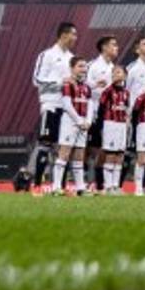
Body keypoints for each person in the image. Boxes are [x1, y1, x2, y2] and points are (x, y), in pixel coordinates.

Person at [31, 22, 76, 192]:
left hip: (67, 106)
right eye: (73, 34)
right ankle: (37, 185)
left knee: (64, 147)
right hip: (51, 104)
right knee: (45, 144)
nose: (75, 38)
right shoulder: (47, 55)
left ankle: (60, 187)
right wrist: (60, 82)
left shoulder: (72, 58)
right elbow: (37, 79)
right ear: (63, 35)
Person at [51, 56, 93, 196]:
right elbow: (67, 105)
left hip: (83, 123)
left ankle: (80, 187)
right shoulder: (67, 85)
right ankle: (56, 187)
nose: (83, 69)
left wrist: (88, 121)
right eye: (80, 66)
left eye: (85, 66)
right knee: (64, 153)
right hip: (70, 122)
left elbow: (90, 104)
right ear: (72, 68)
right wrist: (79, 121)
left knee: (79, 156)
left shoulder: (86, 87)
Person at [85, 35, 119, 192]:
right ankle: (83, 181)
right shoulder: (92, 65)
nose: (116, 48)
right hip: (92, 110)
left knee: (105, 148)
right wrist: (94, 85)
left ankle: (99, 184)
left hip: (109, 113)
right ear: (104, 47)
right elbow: (82, 86)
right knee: (89, 148)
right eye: (113, 45)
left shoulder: (114, 68)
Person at [97, 65, 131, 195]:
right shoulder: (107, 91)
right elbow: (101, 110)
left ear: (125, 76)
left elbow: (126, 109)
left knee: (120, 154)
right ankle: (108, 186)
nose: (115, 75)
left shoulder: (126, 93)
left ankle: (116, 186)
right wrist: (101, 127)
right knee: (110, 154)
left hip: (121, 125)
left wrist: (127, 123)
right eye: (113, 72)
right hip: (110, 124)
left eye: (118, 72)